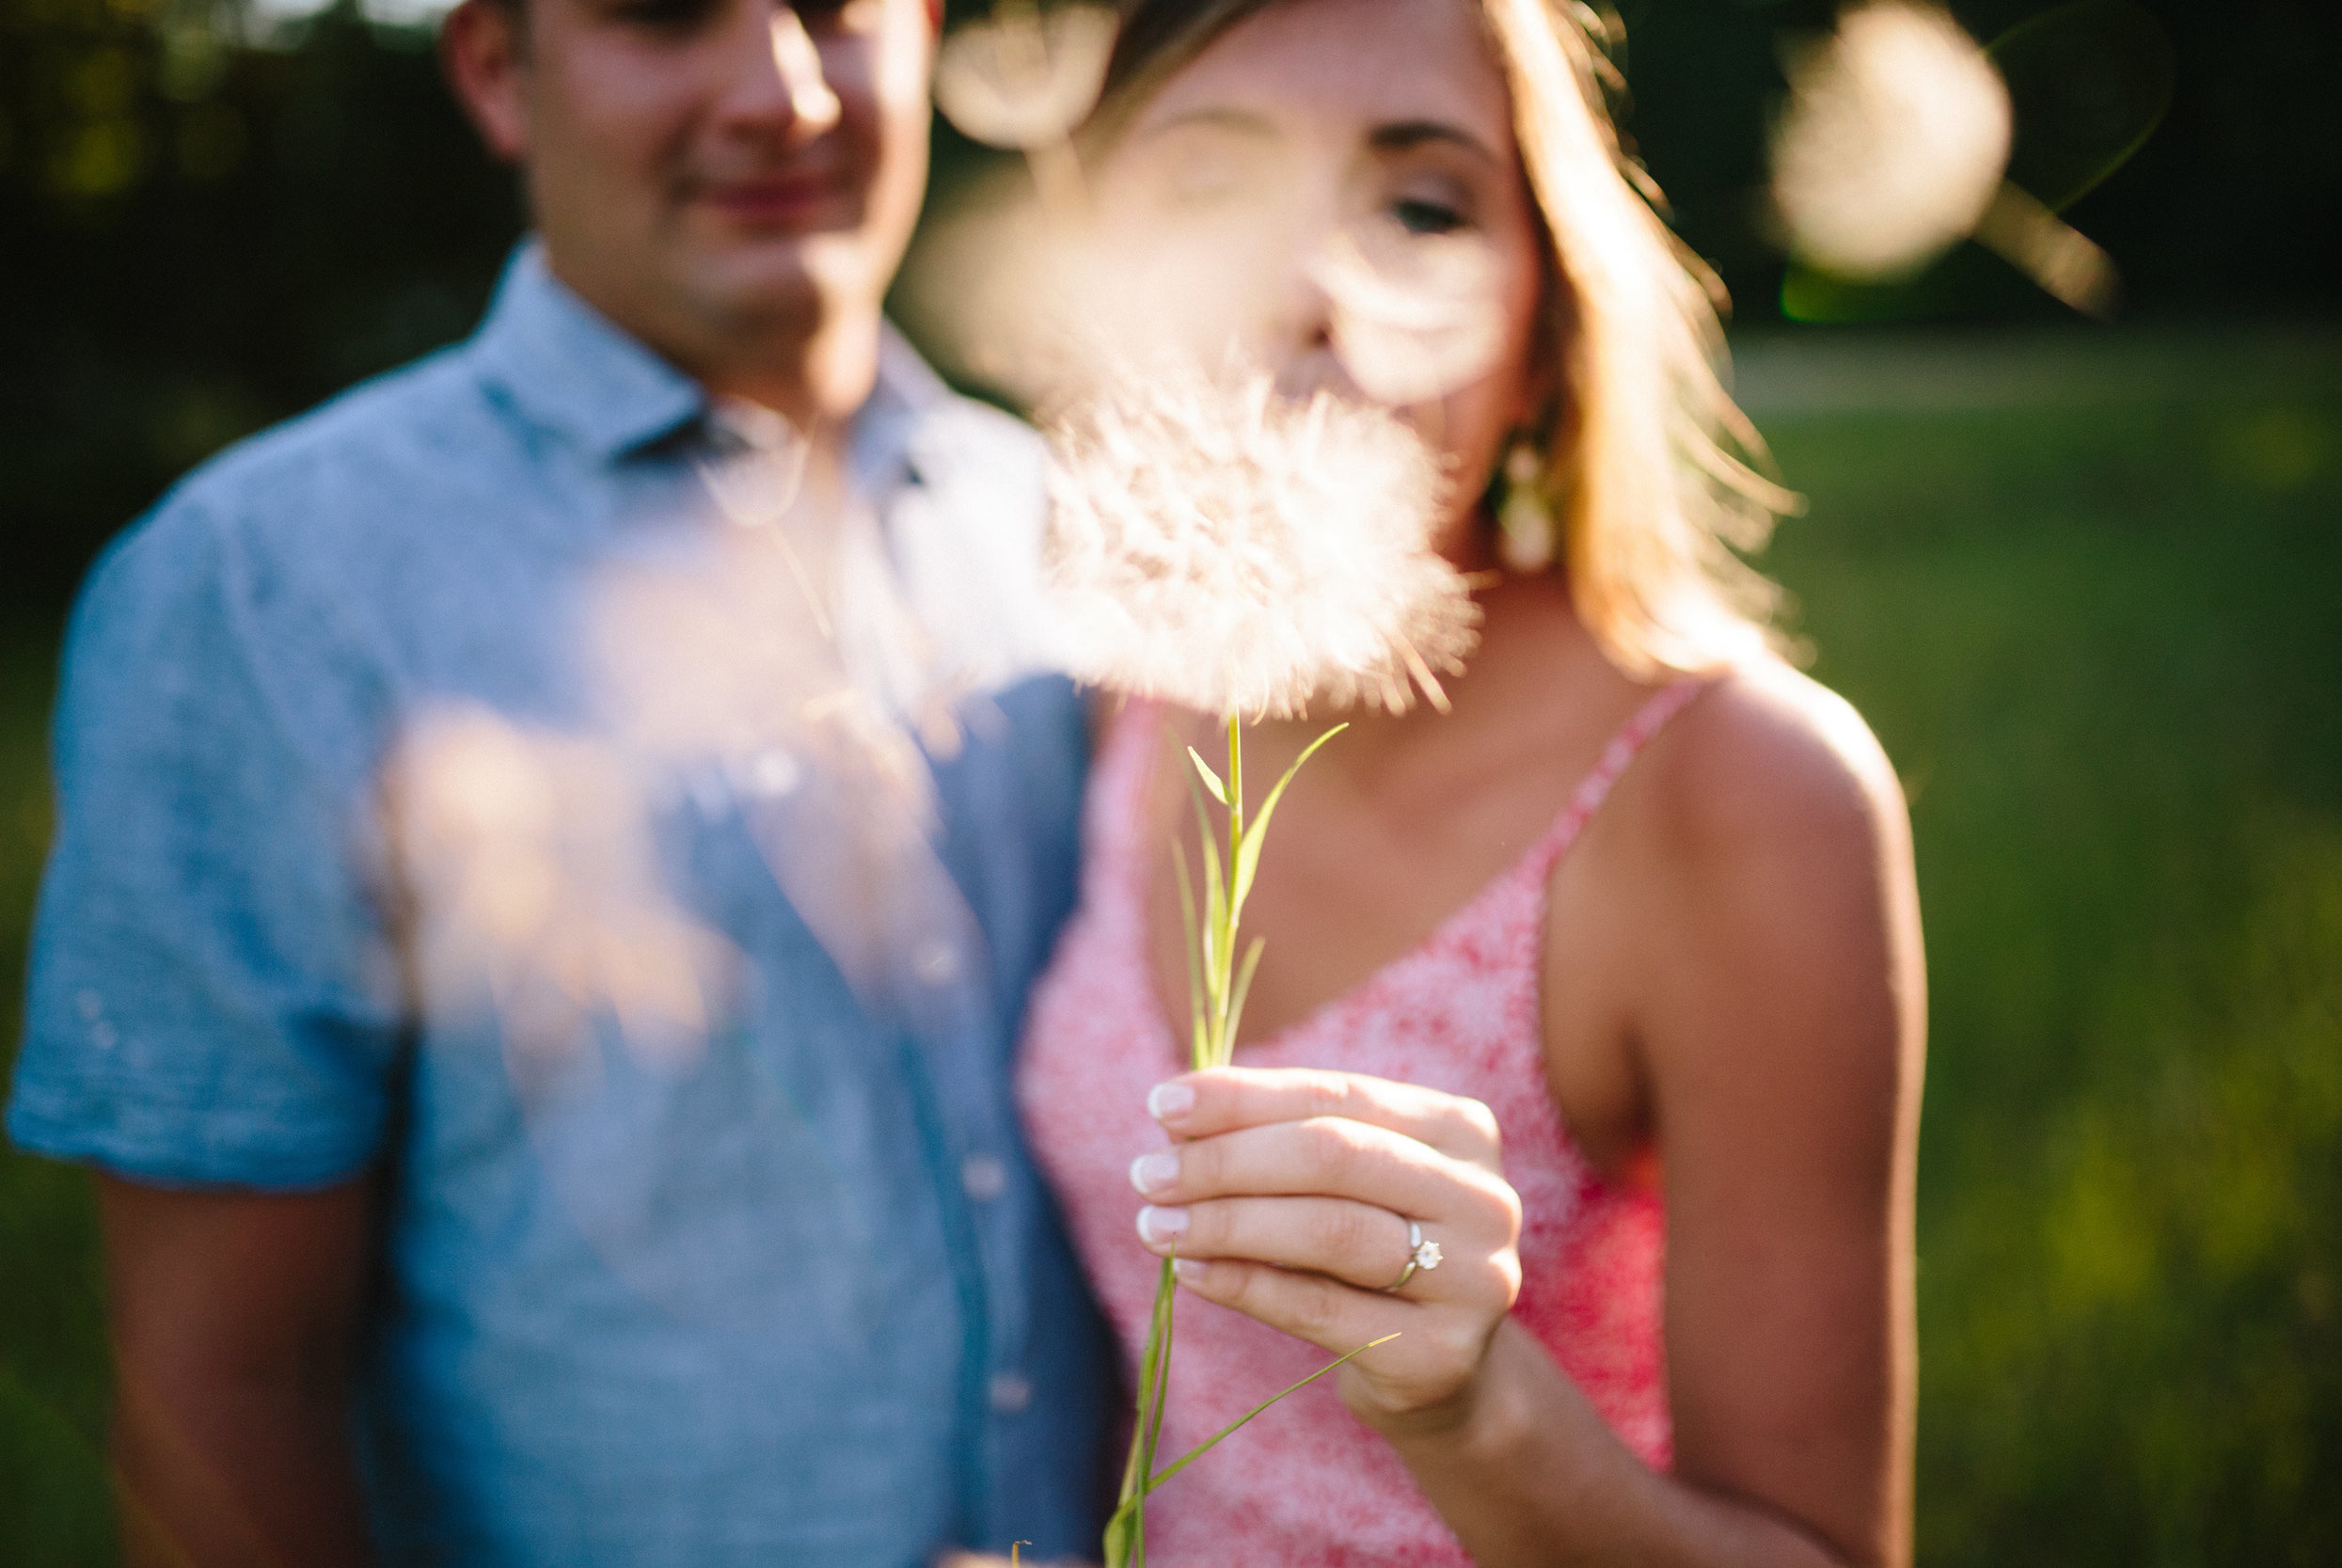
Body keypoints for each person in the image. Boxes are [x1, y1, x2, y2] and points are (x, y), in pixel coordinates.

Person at [5, 0, 1113, 1561]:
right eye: (666, 17)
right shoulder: (263, 587)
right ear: (491, 69)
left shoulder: (1068, 534)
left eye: (835, 14)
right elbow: (224, 1384)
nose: (781, 94)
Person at [1016, 0, 1926, 1564]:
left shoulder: (1734, 795)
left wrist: (1471, 1410)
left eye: (1419, 205)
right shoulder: (1123, 694)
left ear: (1546, 339)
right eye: (1210, 190)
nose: (1311, 286)